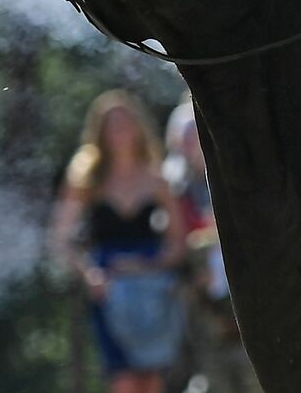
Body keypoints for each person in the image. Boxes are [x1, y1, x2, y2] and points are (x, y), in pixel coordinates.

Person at [49, 90, 187, 393]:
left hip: (151, 289)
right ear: (99, 131)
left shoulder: (157, 179)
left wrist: (149, 265)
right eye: (112, 125)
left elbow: (178, 243)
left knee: (152, 380)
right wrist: (89, 275)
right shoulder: (85, 179)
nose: (120, 131)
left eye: (125, 122)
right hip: (108, 289)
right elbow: (60, 239)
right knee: (123, 380)